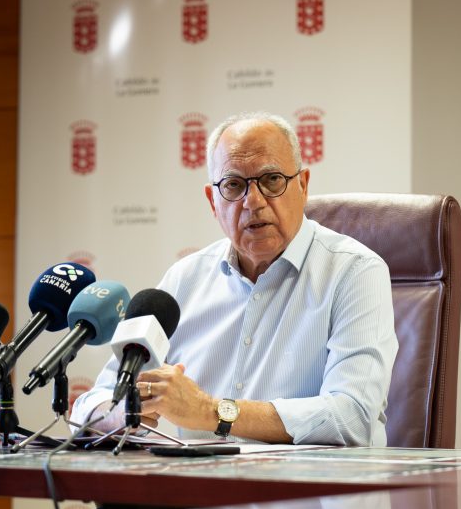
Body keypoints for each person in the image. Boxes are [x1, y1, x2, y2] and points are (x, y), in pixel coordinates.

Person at [72, 111, 398, 446]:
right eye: (234, 185)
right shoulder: (185, 279)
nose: (253, 202)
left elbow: (352, 417)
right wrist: (123, 411)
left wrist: (212, 412)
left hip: (306, 494)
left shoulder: (355, 271)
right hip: (198, 492)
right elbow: (90, 404)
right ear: (213, 202)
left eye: (272, 179)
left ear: (302, 186)